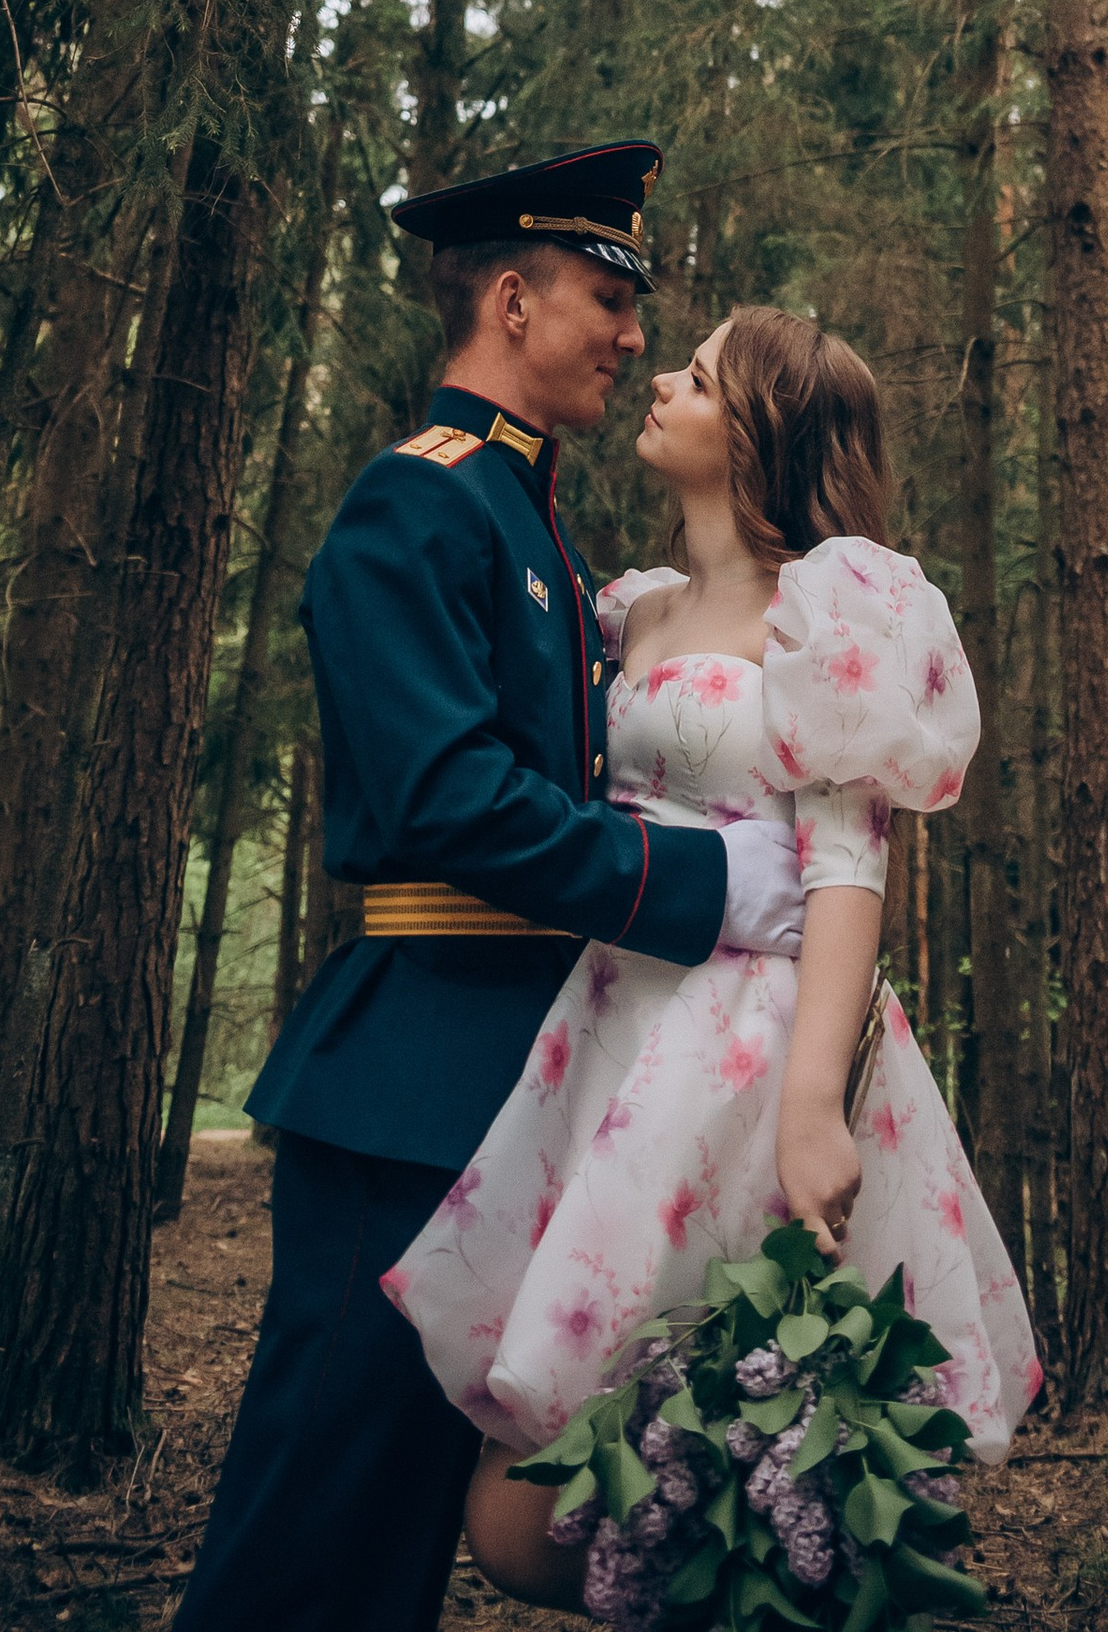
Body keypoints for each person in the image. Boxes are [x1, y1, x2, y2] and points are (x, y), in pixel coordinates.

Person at [172, 144, 807, 1632]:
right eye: (607, 300)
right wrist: (701, 881)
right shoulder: (418, 505)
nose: (634, 335)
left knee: (400, 1539)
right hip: (412, 1075)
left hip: (524, 1070)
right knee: (319, 1522)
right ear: (513, 301)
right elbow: (450, 802)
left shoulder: (532, 523)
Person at [383, 305, 1042, 1607]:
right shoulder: (637, 610)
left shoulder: (831, 613)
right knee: (566, 1500)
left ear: (756, 436)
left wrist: (811, 1107)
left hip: (746, 1067)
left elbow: (848, 868)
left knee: (703, 1452)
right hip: (612, 1040)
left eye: (696, 377)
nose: (660, 382)